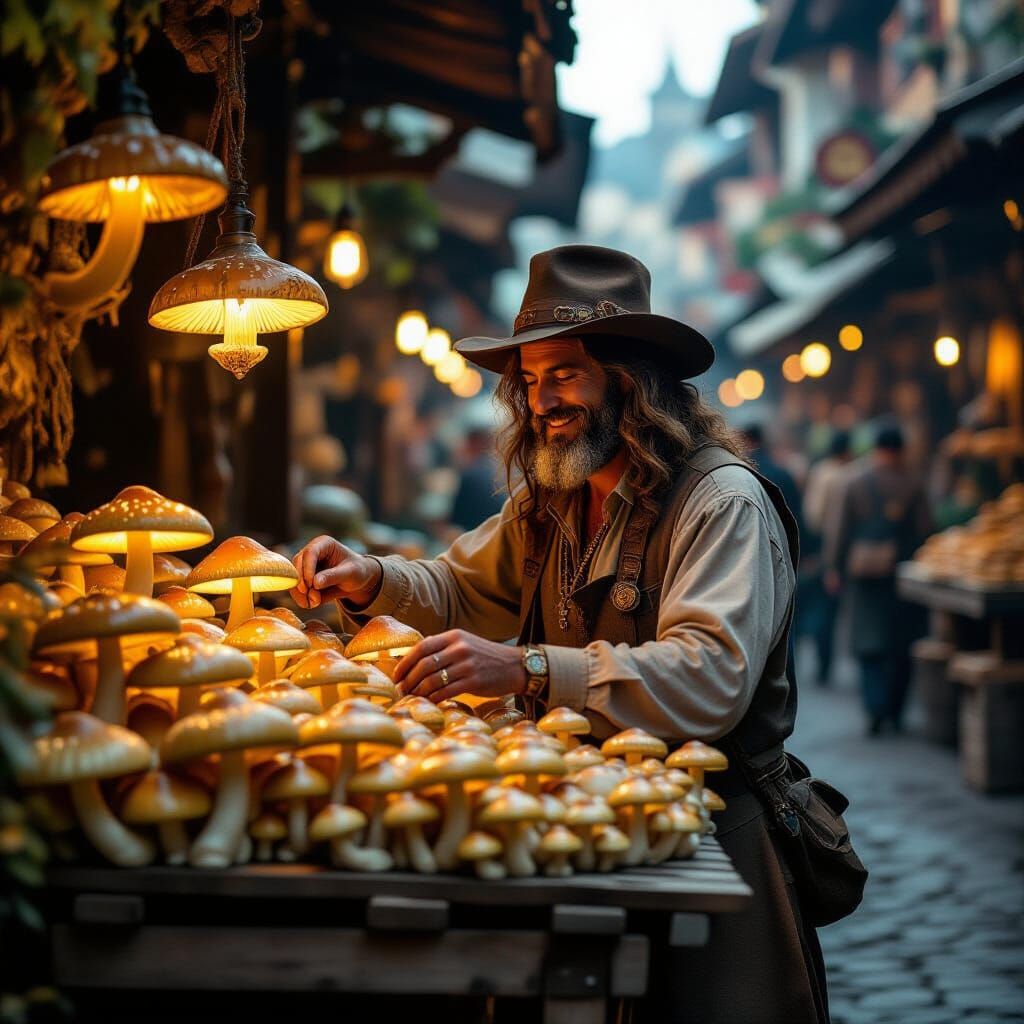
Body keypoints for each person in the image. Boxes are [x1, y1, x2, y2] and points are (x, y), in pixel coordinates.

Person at [292, 245, 829, 1024]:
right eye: (530, 382)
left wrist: (528, 667)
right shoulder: (553, 501)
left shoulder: (722, 504)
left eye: (564, 373)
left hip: (711, 845)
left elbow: (709, 676)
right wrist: (372, 578)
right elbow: (458, 586)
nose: (542, 402)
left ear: (630, 378)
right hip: (583, 831)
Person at [824, 424, 931, 735]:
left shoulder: (855, 481)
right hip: (904, 576)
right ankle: (896, 712)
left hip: (864, 575)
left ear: (875, 449)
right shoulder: (914, 482)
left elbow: (839, 529)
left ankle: (875, 708)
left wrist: (834, 568)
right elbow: (927, 527)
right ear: (901, 450)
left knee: (868, 643)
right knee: (902, 645)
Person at [802, 431, 853, 685]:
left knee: (821, 606)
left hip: (821, 547)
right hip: (842, 550)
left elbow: (812, 514)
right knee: (831, 610)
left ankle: (821, 662)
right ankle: (827, 662)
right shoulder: (849, 475)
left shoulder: (820, 472)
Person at [449, 426, 503, 531]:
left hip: (475, 533)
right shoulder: (498, 471)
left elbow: (455, 519)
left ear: (471, 444)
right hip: (495, 531)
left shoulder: (469, 475)